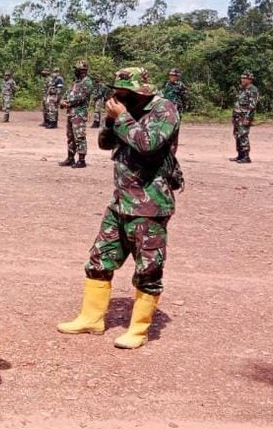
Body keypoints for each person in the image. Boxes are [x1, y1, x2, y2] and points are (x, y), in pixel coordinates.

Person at [57, 67, 182, 349]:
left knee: (148, 267)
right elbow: (104, 143)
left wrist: (122, 117)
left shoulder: (165, 110)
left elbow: (148, 144)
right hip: (121, 202)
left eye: (124, 94)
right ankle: (91, 318)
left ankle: (138, 330)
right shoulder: (125, 111)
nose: (118, 98)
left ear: (140, 92)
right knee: (99, 259)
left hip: (150, 205)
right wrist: (112, 119)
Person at [58, 60, 96, 168]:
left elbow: (82, 97)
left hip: (79, 113)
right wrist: (62, 101)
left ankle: (81, 160)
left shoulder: (87, 82)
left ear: (82, 70)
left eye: (77, 69)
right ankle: (70, 158)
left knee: (79, 136)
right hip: (70, 113)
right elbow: (67, 93)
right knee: (70, 136)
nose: (75, 71)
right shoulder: (75, 82)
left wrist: (68, 103)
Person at [231, 72, 259, 163]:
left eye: (244, 78)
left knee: (243, 135)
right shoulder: (242, 89)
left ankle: (246, 157)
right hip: (237, 117)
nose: (242, 80)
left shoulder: (253, 90)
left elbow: (252, 106)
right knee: (237, 135)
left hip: (244, 117)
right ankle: (240, 155)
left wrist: (247, 118)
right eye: (241, 78)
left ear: (249, 79)